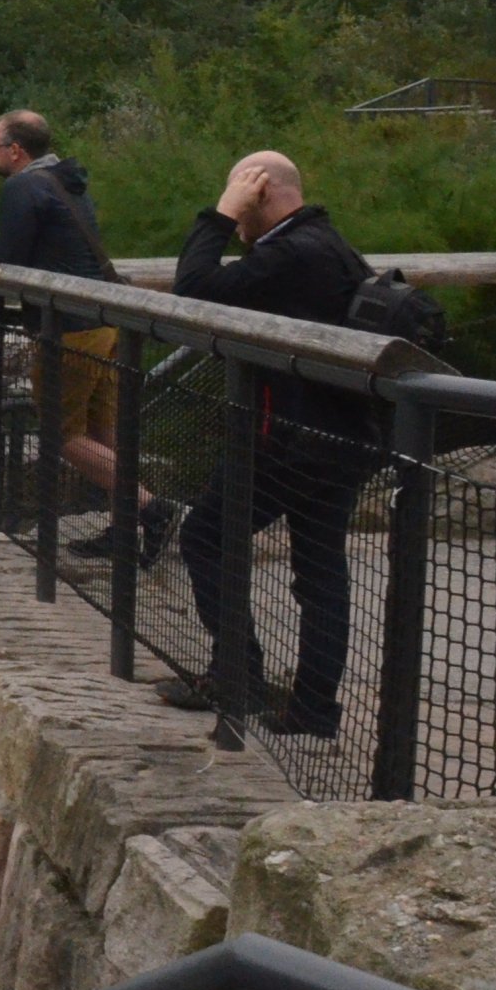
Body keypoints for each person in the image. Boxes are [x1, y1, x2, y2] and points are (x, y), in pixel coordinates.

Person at [165, 151, 385, 736]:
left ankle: (240, 676)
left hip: (289, 441)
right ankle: (311, 710)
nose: (237, 223)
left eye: (241, 201)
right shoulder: (327, 243)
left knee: (205, 537)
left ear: (259, 192)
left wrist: (218, 216)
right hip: (341, 436)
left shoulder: (290, 253)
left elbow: (192, 290)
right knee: (319, 573)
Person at [0, 111, 177, 564]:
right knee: (102, 431)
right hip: (105, 322)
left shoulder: (22, 187)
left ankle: (152, 509)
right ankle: (124, 528)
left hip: (68, 330)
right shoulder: (66, 182)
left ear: (15, 150)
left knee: (59, 435)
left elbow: (13, 263)